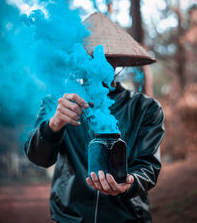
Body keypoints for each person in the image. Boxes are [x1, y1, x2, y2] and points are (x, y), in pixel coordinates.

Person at [24, 13, 164, 223]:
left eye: (106, 58)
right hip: (71, 217)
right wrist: (54, 124)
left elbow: (148, 166)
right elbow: (39, 158)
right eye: (88, 56)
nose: (96, 64)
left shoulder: (145, 108)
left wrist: (130, 182)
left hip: (128, 217)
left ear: (117, 62)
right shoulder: (57, 102)